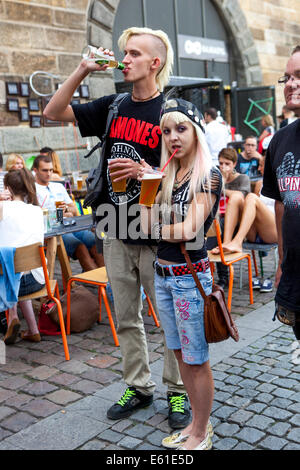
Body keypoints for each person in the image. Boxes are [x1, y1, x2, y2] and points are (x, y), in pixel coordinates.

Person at [43, 26, 189, 429]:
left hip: (159, 233)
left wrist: (149, 171)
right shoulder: (113, 105)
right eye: (124, 53)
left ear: (154, 63)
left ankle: (179, 392)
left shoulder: (172, 114)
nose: (124, 59)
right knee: (126, 317)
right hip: (116, 227)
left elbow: (191, 176)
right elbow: (52, 112)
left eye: (134, 53)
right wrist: (82, 70)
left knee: (172, 321)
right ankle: (138, 387)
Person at [140, 98, 222, 450]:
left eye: (181, 128)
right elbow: (144, 223)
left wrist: (155, 224)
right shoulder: (166, 175)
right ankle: (193, 424)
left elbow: (191, 230)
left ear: (196, 132)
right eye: (167, 131)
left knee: (196, 360)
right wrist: (147, 191)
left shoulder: (209, 174)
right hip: (162, 275)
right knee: (178, 355)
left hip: (190, 279)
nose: (174, 137)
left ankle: (202, 432)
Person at [262, 45, 300, 339]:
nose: (291, 84)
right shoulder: (280, 141)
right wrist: (281, 261)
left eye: (299, 75)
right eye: (286, 77)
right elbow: (281, 206)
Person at [33, 154, 104, 271]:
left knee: (95, 243)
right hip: (54, 231)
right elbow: (36, 215)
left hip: (71, 226)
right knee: (80, 248)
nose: (49, 173)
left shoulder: (58, 187)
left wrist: (65, 211)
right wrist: (60, 214)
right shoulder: (32, 189)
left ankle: (107, 284)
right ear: (35, 170)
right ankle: (99, 283)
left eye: (51, 170)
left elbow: (74, 210)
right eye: (45, 170)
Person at [0, 169, 45, 344]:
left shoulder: (3, 208)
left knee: (10, 263)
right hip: (37, 281)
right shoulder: (37, 211)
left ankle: (12, 317)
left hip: (9, 282)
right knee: (17, 266)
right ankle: (33, 330)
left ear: (8, 188)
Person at [208, 147, 250, 288]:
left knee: (220, 225)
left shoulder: (242, 179)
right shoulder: (215, 177)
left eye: (227, 164)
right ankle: (202, 269)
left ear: (234, 164)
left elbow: (242, 198)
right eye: (221, 163)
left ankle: (223, 277)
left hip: (237, 222)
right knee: (212, 224)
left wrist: (223, 185)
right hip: (219, 218)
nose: (223, 167)